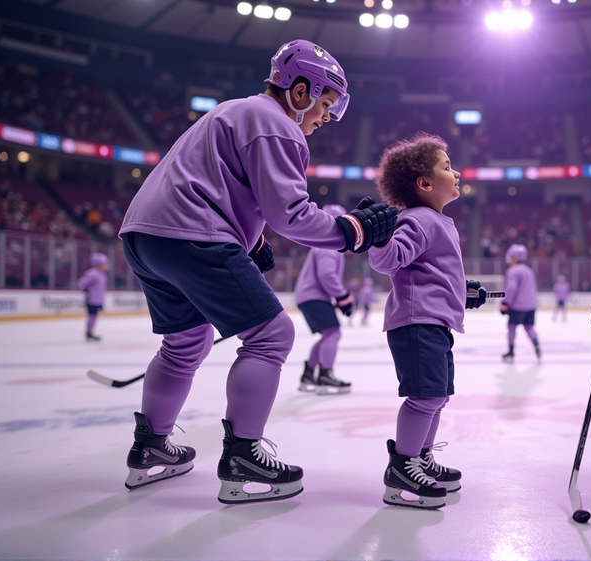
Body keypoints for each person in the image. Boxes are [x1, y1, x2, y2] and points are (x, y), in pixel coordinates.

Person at [117, 40, 398, 504]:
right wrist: (354, 231)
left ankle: (151, 447)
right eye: (325, 104)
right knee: (271, 336)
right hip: (194, 233)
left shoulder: (233, 110)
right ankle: (244, 454)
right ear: (301, 90)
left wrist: (255, 240)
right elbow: (291, 214)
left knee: (187, 341)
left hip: (144, 235)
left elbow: (213, 179)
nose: (326, 117)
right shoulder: (279, 125)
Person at [368, 132, 487, 509]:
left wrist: (462, 290)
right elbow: (388, 261)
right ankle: (403, 467)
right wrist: (380, 238)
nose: (456, 173)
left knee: (438, 397)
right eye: (447, 167)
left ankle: (419, 458)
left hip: (434, 322)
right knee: (426, 396)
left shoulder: (438, 221)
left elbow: (431, 271)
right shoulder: (418, 219)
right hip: (416, 323)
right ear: (424, 183)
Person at [295, 203, 355, 395]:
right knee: (334, 333)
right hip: (314, 295)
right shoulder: (330, 245)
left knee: (328, 334)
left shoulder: (322, 243)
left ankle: (309, 374)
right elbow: (327, 274)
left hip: (309, 295)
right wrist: (342, 295)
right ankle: (325, 375)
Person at [500, 244, 541, 363]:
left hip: (517, 306)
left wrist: (505, 303)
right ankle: (536, 345)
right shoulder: (529, 270)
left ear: (514, 257)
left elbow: (511, 288)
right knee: (529, 327)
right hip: (531, 305)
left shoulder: (513, 271)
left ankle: (511, 352)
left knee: (511, 327)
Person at [77, 253, 108, 342]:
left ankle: (90, 332)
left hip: (97, 299)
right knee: (92, 316)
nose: (106, 266)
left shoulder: (101, 274)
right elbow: (82, 284)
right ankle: (89, 333)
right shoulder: (92, 274)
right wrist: (88, 292)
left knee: (94, 316)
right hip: (92, 299)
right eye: (104, 264)